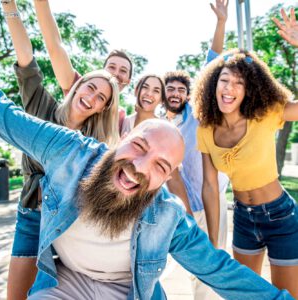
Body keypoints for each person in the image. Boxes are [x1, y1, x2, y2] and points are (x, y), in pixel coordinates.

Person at [0, 90, 295, 300]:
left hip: (129, 291)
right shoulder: (68, 151)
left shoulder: (168, 215)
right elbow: (7, 117)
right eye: (139, 146)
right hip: (65, 282)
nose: (138, 167)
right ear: (123, 137)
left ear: (166, 179)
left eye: (161, 165)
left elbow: (219, 270)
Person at [1, 1, 119, 299]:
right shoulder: (43, 107)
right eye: (90, 87)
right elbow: (26, 60)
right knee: (16, 294)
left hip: (70, 228)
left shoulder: (94, 143)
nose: (92, 97)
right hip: (32, 217)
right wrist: (8, 6)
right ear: (77, 86)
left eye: (101, 97)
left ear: (103, 108)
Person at [193, 8, 298, 298]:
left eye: (240, 83)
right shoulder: (206, 128)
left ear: (249, 91)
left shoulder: (266, 114)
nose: (230, 88)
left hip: (281, 216)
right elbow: (210, 187)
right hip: (243, 218)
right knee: (244, 296)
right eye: (225, 79)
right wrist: (215, 243)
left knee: (287, 296)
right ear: (214, 84)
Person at [162, 1, 229, 299]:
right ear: (163, 93)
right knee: (177, 269)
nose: (175, 94)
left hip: (210, 204)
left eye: (181, 90)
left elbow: (212, 63)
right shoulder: (156, 127)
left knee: (211, 271)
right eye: (170, 89)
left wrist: (221, 23)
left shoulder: (197, 115)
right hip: (176, 211)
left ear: (188, 95)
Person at [32, 0, 132, 129]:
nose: (116, 73)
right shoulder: (79, 86)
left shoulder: (121, 116)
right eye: (111, 67)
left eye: (123, 70)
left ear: (128, 82)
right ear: (102, 70)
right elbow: (55, 47)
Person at [121, 74, 193, 214]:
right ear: (137, 90)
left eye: (156, 91)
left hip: (144, 205)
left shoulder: (164, 130)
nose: (149, 93)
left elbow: (175, 180)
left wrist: (188, 216)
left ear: (161, 100)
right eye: (145, 87)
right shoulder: (123, 121)